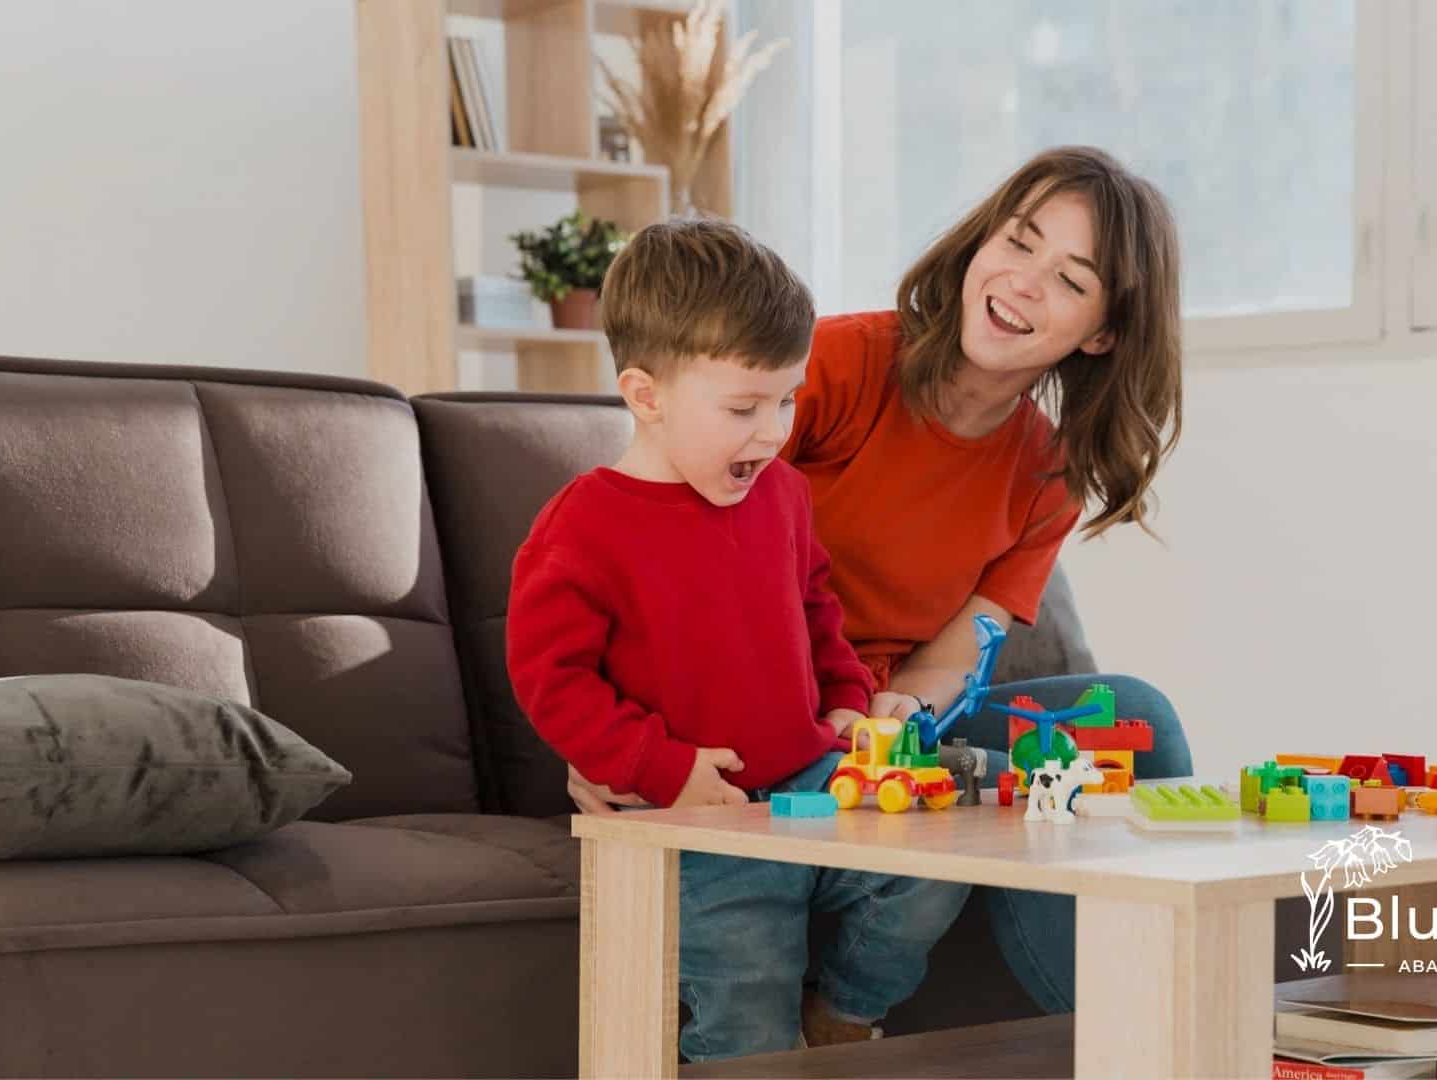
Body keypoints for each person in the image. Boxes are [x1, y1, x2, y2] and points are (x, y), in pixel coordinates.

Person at [567, 146, 1195, 1016]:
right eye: (1018, 242)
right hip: (749, 707)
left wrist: (904, 716)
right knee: (1028, 783)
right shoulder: (834, 367)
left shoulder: (1044, 473)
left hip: (871, 721)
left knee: (1135, 719)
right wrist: (607, 736)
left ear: (1102, 331)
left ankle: (1153, 1035)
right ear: (981, 243)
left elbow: (954, 653)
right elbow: (662, 529)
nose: (1022, 282)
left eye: (1070, 278)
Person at [505, 216, 970, 1060]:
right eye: (744, 406)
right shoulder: (584, 526)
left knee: (933, 859)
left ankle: (844, 1012)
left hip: (811, 777)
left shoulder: (783, 495)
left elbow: (817, 610)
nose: (773, 429)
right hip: (696, 822)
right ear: (646, 396)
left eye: (787, 398)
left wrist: (845, 702)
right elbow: (552, 678)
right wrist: (659, 766)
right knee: (748, 1032)